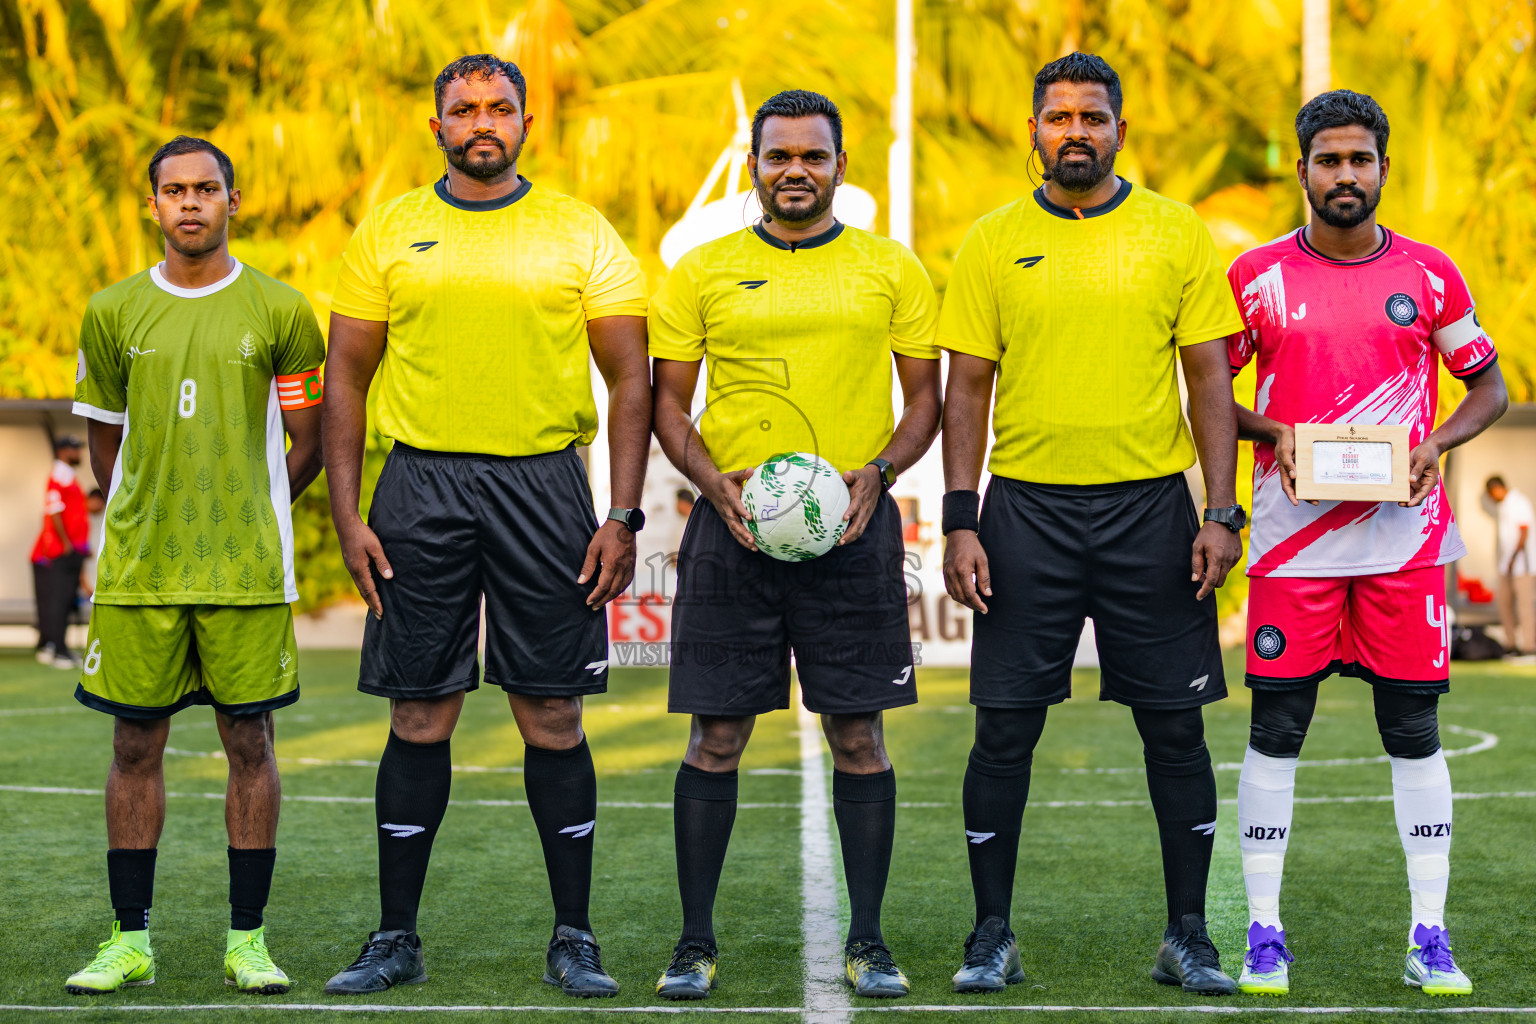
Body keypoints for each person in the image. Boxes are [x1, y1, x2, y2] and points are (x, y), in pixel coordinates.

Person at [320, 54, 651, 998]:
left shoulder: (578, 230)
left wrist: (621, 513)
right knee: (420, 712)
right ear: (436, 127)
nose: (482, 120)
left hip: (545, 485)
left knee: (551, 712)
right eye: (463, 108)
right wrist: (348, 515)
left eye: (499, 106)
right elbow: (343, 376)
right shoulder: (390, 228)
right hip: (419, 483)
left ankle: (574, 938)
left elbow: (632, 376)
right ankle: (395, 939)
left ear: (525, 122)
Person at [939, 53, 1246, 997]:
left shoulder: (1174, 231)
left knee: (1176, 731)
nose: (1077, 130)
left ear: (1121, 129)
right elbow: (969, 390)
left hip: (1152, 510)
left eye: (1094, 116)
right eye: (1059, 116)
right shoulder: (991, 240)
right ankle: (991, 934)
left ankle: (1188, 935)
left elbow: (1209, 380)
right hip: (1025, 510)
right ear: (1031, 130)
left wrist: (1220, 509)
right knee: (1002, 734)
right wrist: (962, 520)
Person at [649, 89, 941, 1000]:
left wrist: (878, 476)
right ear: (755, 166)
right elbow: (667, 404)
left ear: (840, 167)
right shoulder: (701, 270)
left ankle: (869, 941)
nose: (796, 172)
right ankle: (694, 943)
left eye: (813, 156)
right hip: (731, 532)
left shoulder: (891, 269)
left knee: (859, 736)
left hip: (851, 532)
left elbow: (924, 402)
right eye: (779, 157)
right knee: (716, 738)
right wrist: (711, 482)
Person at [1226, 90, 1508, 998]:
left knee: (1414, 732)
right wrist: (1270, 434)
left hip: (1404, 549)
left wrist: (1433, 445)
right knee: (1277, 731)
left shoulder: (1431, 274)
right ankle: (1264, 931)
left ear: (1384, 168)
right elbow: (1204, 396)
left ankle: (1430, 932)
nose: (1344, 175)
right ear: (1302, 169)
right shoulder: (1255, 276)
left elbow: (1489, 390)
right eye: (1327, 160)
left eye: (1359, 160)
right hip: (1292, 549)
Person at [65, 136, 325, 995]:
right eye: (172, 190)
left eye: (205, 189)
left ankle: (246, 942)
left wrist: (260, 511)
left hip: (244, 573)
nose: (189, 203)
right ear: (152, 206)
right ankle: (128, 941)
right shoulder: (110, 312)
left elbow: (309, 440)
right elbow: (108, 446)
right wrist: (152, 512)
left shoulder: (282, 309)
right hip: (142, 572)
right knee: (132, 742)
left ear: (233, 200)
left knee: (250, 742)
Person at [32, 435, 91, 668]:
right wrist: (66, 543)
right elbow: (54, 511)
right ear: (64, 451)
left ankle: (63, 649)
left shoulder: (67, 475)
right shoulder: (58, 475)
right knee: (58, 601)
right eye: (75, 449)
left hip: (72, 551)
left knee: (66, 601)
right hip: (61, 552)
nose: (79, 454)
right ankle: (55, 649)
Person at [1485, 476, 1533, 657]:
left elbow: (1524, 532)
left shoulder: (1519, 502)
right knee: (1504, 604)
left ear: (1497, 488)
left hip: (1522, 565)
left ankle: (1528, 646)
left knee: (1524, 606)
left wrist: (1513, 558)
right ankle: (1510, 643)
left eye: (1491, 493)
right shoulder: (1503, 505)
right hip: (1506, 565)